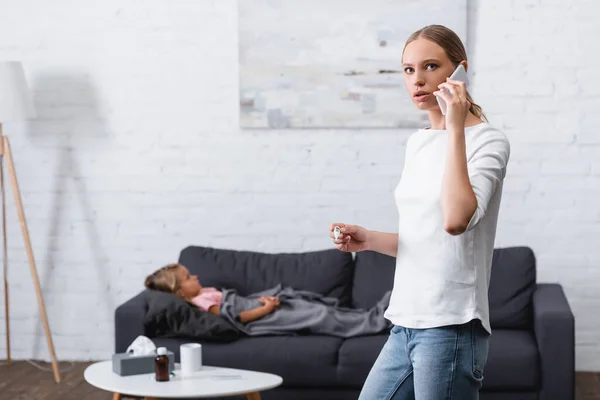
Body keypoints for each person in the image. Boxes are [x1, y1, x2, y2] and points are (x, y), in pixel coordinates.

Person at [330, 24, 510, 399]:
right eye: (409, 70)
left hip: (452, 325)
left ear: (459, 70)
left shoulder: (488, 140)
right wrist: (368, 239)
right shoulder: (417, 143)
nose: (417, 80)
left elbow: (456, 220)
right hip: (406, 322)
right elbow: (426, 240)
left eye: (430, 66)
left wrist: (455, 128)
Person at [144, 263, 392, 337]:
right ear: (179, 294)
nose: (195, 275)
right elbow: (236, 316)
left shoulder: (201, 293)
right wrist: (266, 308)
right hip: (261, 317)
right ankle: (377, 321)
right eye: (188, 277)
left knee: (316, 307)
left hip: (262, 306)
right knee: (321, 316)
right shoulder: (201, 304)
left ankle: (374, 315)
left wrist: (265, 301)